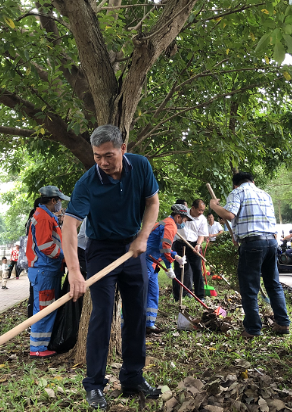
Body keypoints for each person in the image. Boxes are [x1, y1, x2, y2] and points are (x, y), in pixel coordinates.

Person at [62, 125, 161, 409]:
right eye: (97, 157)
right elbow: (69, 227)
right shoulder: (87, 183)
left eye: (108, 155)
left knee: (136, 314)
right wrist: (75, 272)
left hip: (133, 248)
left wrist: (143, 237)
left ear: (123, 149)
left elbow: (152, 203)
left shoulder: (140, 166)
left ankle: (133, 377)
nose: (103, 162)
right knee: (102, 316)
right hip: (101, 250)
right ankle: (94, 385)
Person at [209, 171, 291, 336]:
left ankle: (253, 328)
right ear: (253, 181)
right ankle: (283, 323)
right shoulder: (265, 195)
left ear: (235, 184)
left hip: (252, 244)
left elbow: (230, 214)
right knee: (273, 285)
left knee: (249, 288)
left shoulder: (237, 192)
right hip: (271, 242)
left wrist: (214, 206)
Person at [25, 185, 70, 358]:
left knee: (45, 307)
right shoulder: (43, 217)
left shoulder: (44, 215)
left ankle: (40, 346)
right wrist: (64, 257)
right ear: (53, 201)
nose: (60, 205)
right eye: (59, 201)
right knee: (45, 309)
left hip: (46, 270)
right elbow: (46, 246)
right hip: (45, 270)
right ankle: (38, 348)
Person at [145, 204, 190, 334]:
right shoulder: (170, 225)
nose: (184, 223)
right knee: (141, 292)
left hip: (152, 262)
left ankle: (149, 324)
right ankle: (131, 323)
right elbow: (164, 248)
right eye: (185, 220)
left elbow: (167, 248)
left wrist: (177, 257)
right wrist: (170, 268)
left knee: (153, 292)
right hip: (146, 260)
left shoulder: (165, 222)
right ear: (178, 217)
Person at [173, 199, 208, 301]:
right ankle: (177, 296)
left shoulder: (202, 219)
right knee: (179, 270)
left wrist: (198, 244)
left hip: (193, 245)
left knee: (197, 270)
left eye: (203, 211)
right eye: (199, 210)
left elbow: (202, 234)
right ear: (193, 208)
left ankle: (200, 296)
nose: (201, 212)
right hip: (179, 243)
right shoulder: (183, 213)